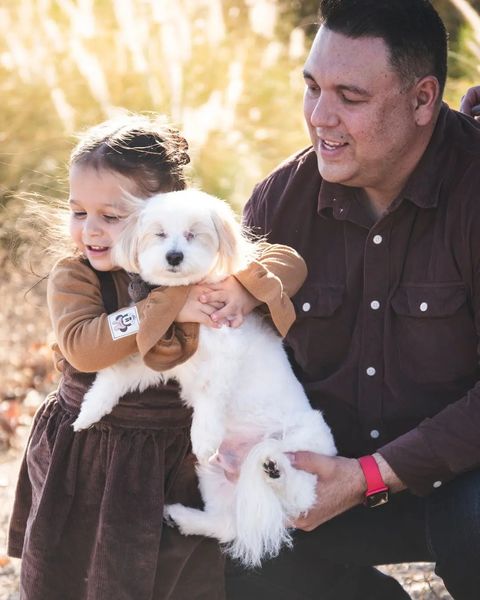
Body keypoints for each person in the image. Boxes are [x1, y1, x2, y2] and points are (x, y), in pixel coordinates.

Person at [226, 1, 480, 599]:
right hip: (324, 475)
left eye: (350, 96)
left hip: (464, 481)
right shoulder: (279, 204)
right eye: (311, 87)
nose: (320, 117)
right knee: (221, 548)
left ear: (423, 100)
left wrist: (370, 476)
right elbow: (239, 357)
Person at [7, 113, 307, 600]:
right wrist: (168, 304)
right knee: (77, 571)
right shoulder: (77, 275)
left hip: (175, 453)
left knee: (172, 577)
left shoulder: (195, 256)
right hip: (93, 454)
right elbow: (85, 346)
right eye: (79, 211)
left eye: (112, 214)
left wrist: (242, 287)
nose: (92, 231)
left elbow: (288, 263)